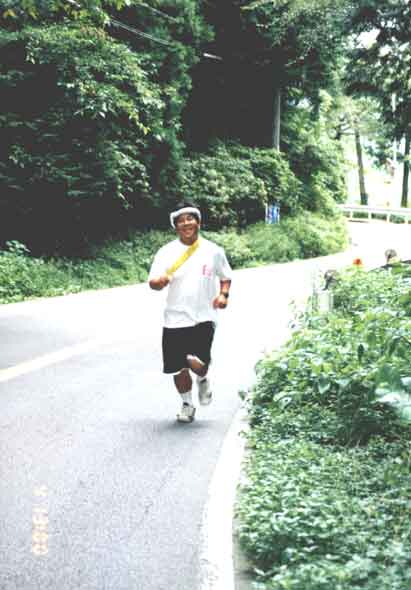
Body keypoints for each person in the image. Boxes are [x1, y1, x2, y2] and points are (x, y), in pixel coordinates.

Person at [148, 203, 232, 423]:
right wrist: (160, 282)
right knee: (178, 368)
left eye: (190, 218)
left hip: (204, 316)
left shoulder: (213, 250)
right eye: (181, 220)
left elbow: (225, 276)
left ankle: (203, 378)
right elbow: (153, 283)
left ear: (198, 222)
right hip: (174, 318)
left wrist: (223, 295)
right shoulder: (166, 252)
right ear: (175, 226)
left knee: (198, 363)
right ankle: (187, 404)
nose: (186, 223)